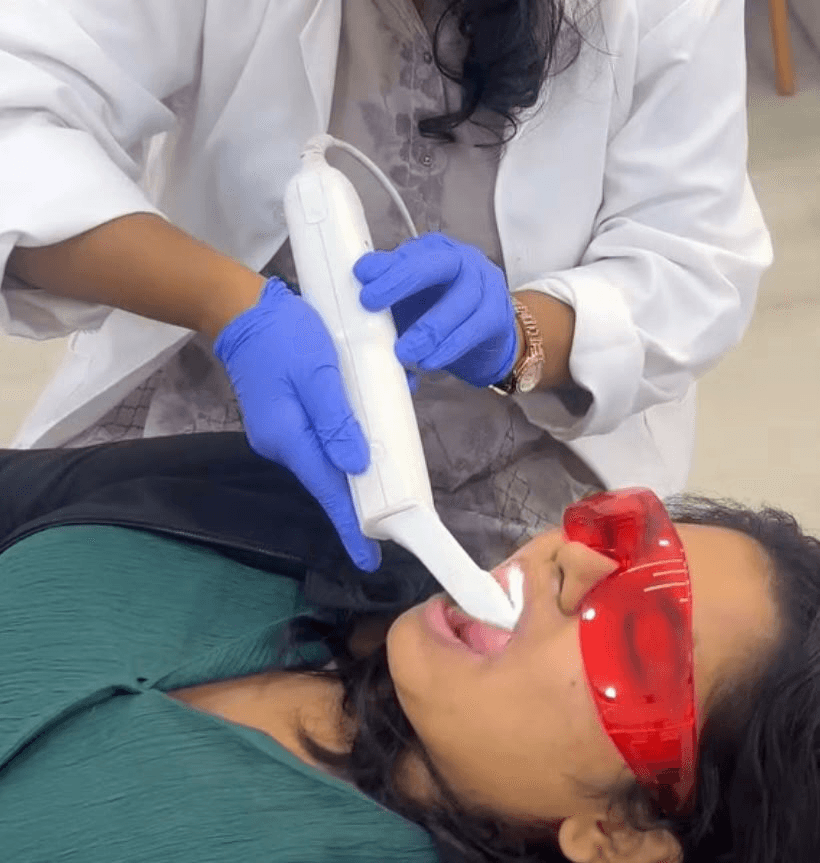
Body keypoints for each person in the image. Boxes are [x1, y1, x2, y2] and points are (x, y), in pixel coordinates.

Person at [0, 0, 772, 572]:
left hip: (509, 461)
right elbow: (17, 116)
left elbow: (693, 260)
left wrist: (523, 332)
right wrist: (226, 305)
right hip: (213, 412)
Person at [1, 433, 819, 863]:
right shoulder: (300, 517)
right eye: (623, 533)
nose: (569, 560)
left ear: (621, 834)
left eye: (641, 636)